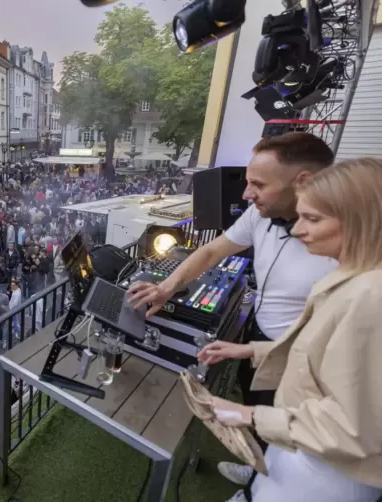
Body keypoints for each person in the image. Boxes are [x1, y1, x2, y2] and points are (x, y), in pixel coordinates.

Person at [128, 132, 338, 486]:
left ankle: (268, 485)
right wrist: (167, 287)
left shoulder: (350, 249)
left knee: (294, 439)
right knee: (258, 407)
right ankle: (259, 470)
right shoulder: (261, 215)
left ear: (303, 182)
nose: (245, 194)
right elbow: (211, 252)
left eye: (258, 183)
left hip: (306, 363)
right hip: (257, 339)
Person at [198, 158, 382, 502]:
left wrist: (248, 414)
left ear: (362, 221)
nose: (296, 231)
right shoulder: (357, 277)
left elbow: (357, 428)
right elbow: (324, 355)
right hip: (304, 454)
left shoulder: (372, 297)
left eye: (311, 219)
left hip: (328, 477)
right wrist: (252, 350)